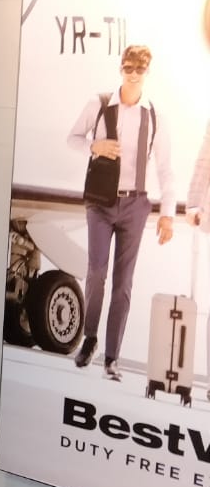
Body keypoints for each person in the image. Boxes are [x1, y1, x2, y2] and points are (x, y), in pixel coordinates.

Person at [66, 44, 173, 381]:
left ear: (147, 72)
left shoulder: (153, 116)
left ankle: (112, 357)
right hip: (100, 202)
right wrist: (94, 146)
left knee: (123, 283)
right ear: (121, 69)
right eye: (128, 67)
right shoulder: (99, 104)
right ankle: (90, 338)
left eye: (140, 69)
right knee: (96, 271)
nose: (133, 74)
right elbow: (72, 138)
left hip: (135, 205)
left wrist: (168, 213)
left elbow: (166, 169)